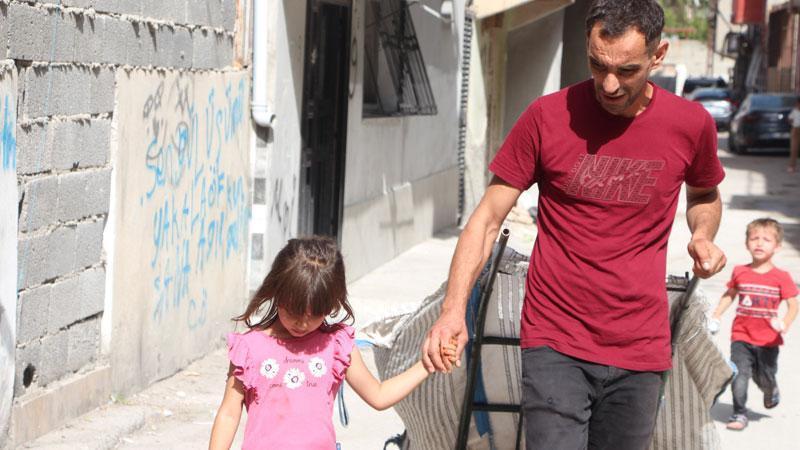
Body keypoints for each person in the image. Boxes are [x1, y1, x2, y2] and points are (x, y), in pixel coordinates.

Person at [421, 0, 727, 448]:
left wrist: (702, 234)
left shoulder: (691, 125)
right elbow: (486, 219)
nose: (609, 84)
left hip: (641, 344)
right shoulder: (547, 116)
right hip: (555, 338)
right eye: (598, 64)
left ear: (658, 56)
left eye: (627, 70)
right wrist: (452, 311)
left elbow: (704, 194)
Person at [208, 236, 456, 449]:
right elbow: (229, 413)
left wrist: (427, 365)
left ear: (331, 305)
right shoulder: (249, 348)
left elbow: (379, 396)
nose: (302, 323)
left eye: (315, 314)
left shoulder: (336, 345)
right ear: (276, 292)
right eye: (294, 312)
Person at [708, 218, 798, 431]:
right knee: (739, 375)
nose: (759, 243)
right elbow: (730, 295)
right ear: (747, 243)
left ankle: (770, 389)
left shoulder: (782, 277)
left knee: (764, 377)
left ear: (777, 246)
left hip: (768, 340)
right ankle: (739, 413)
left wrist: (784, 323)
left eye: (766, 239)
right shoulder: (740, 271)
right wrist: (716, 315)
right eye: (754, 238)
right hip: (741, 336)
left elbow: (794, 305)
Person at [787, 97, 800, 173]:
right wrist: (793, 124)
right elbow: (789, 119)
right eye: (797, 104)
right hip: (796, 129)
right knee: (794, 149)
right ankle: (792, 166)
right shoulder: (794, 111)